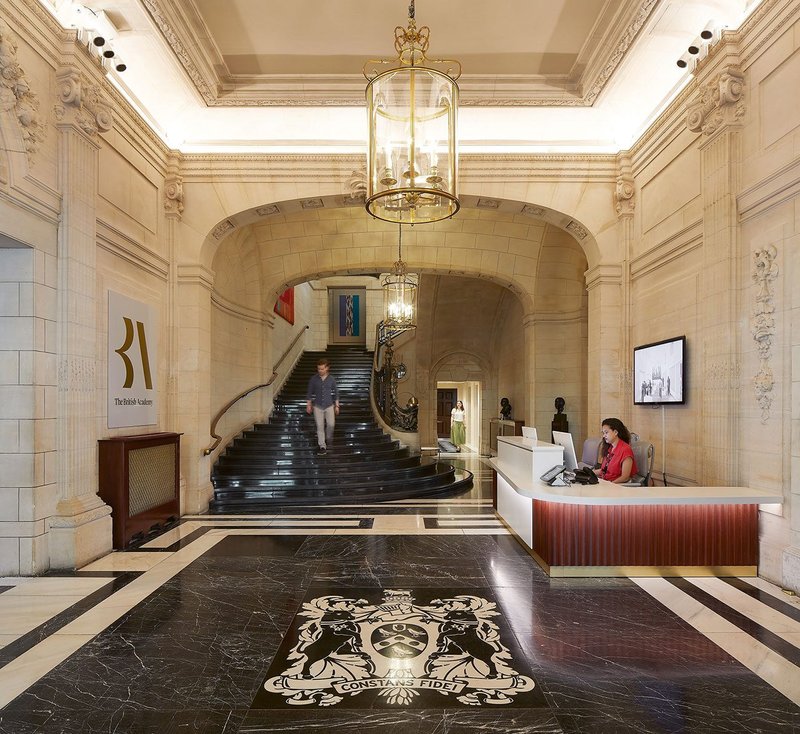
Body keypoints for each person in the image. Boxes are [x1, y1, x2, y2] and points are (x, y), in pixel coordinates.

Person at [306, 357, 339, 455]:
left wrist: (337, 406)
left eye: (322, 369)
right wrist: (308, 405)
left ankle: (328, 437)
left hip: (329, 406)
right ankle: (322, 446)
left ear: (327, 368)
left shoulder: (331, 379)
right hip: (318, 407)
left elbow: (336, 392)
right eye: (318, 369)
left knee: (331, 424)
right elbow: (309, 392)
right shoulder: (313, 379)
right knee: (320, 427)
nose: (320, 370)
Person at [593, 417, 637, 483]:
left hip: (615, 487)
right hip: (605, 483)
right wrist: (587, 472)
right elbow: (603, 470)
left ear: (616, 432)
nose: (603, 436)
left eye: (606, 432)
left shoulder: (625, 450)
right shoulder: (610, 448)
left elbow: (625, 477)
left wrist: (609, 485)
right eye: (603, 433)